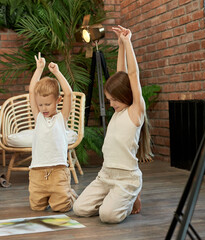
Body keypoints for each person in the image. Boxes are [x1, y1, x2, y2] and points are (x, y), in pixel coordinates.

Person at [73, 25, 152, 223]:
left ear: (125, 95)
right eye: (109, 100)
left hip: (126, 178)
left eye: (113, 100)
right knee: (79, 209)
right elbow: (121, 74)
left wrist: (128, 43)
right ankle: (114, 198)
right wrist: (120, 46)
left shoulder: (135, 111)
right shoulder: (119, 110)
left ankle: (131, 195)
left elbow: (132, 75)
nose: (111, 104)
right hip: (105, 175)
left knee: (108, 216)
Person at [28, 52, 77, 212]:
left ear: (58, 101)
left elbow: (68, 93)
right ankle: (56, 195)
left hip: (58, 171)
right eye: (40, 105)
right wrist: (39, 69)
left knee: (61, 208)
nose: (43, 108)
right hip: (37, 172)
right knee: (36, 208)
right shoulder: (39, 117)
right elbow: (31, 92)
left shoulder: (61, 118)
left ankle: (69, 194)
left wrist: (57, 72)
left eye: (48, 104)